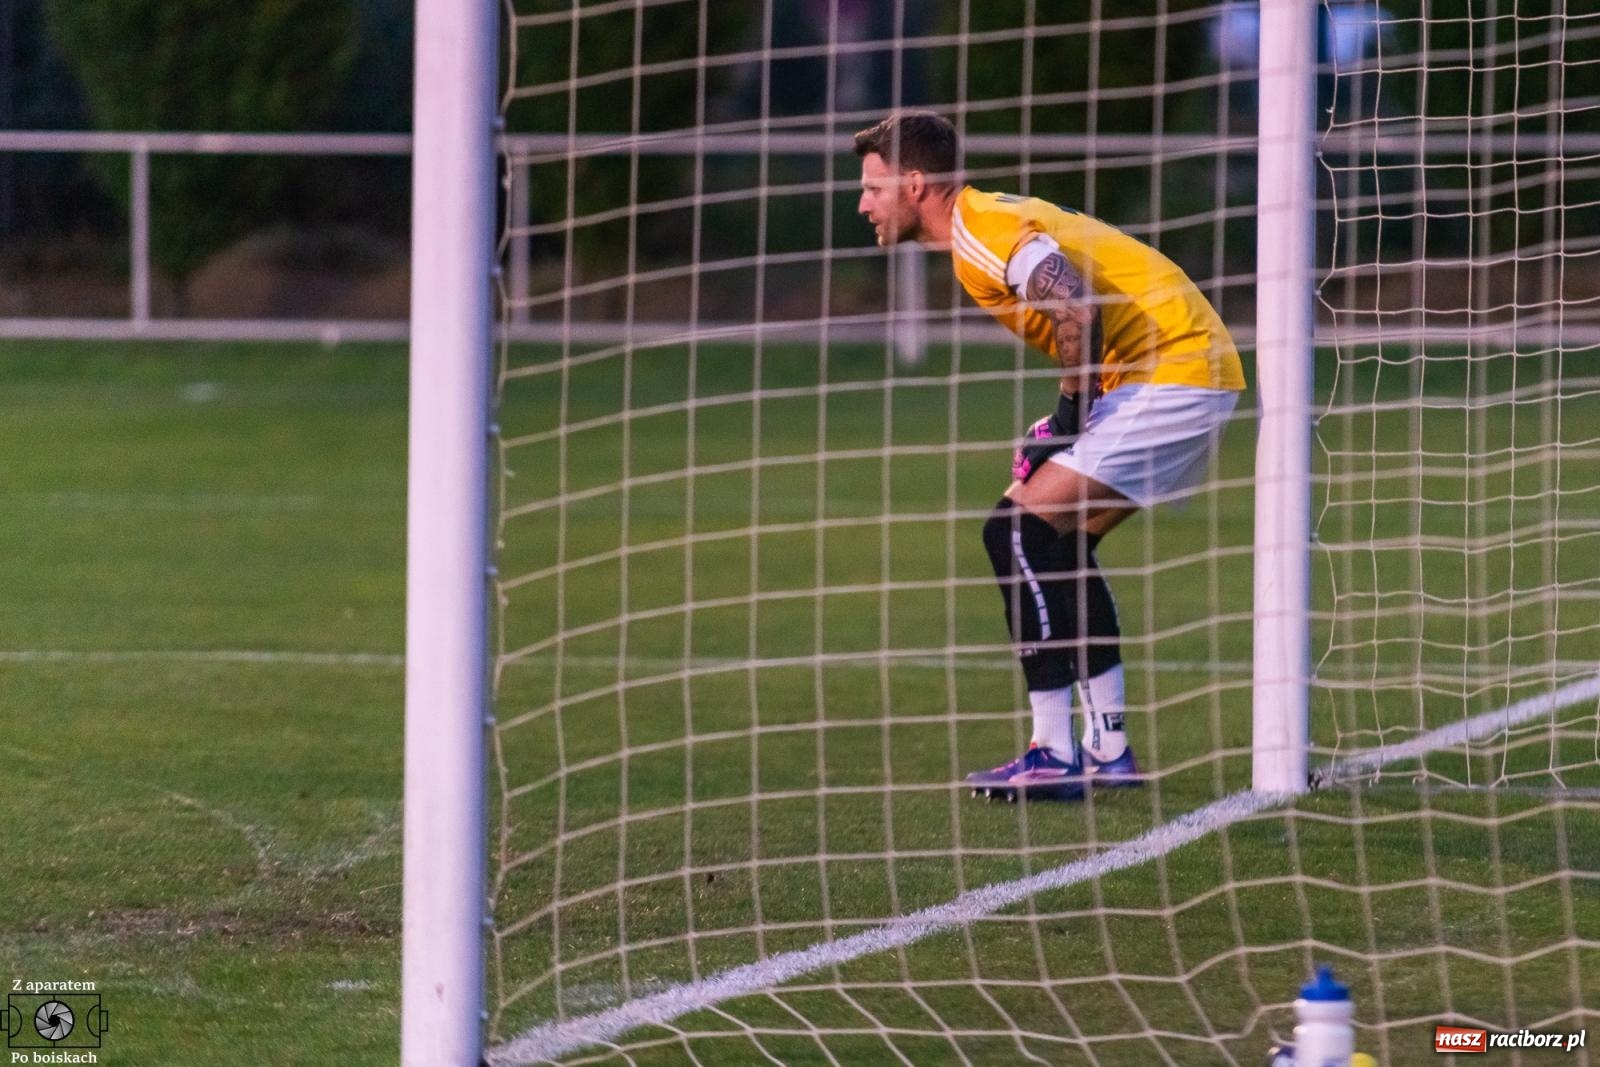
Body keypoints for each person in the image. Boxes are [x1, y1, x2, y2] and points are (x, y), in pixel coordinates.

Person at [854, 111, 1245, 802]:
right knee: (1056, 539)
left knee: (1015, 529)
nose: (863, 204)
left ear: (914, 184)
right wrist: (1070, 414)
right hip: (1182, 369)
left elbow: (1076, 304)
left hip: (1180, 371)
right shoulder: (983, 224)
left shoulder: (980, 232)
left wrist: (1070, 417)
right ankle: (1108, 747)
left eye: (872, 187)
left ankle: (1052, 752)